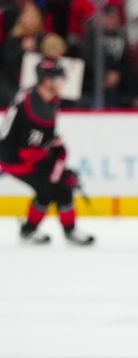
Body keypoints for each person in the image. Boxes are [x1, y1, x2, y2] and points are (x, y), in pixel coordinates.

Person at [0, 59, 94, 245]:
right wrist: (56, 164)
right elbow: (29, 151)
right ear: (47, 81)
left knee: (48, 189)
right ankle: (70, 231)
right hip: (16, 160)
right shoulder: (39, 110)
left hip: (14, 154)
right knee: (60, 189)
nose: (63, 82)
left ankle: (29, 230)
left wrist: (55, 160)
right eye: (60, 78)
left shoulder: (33, 94)